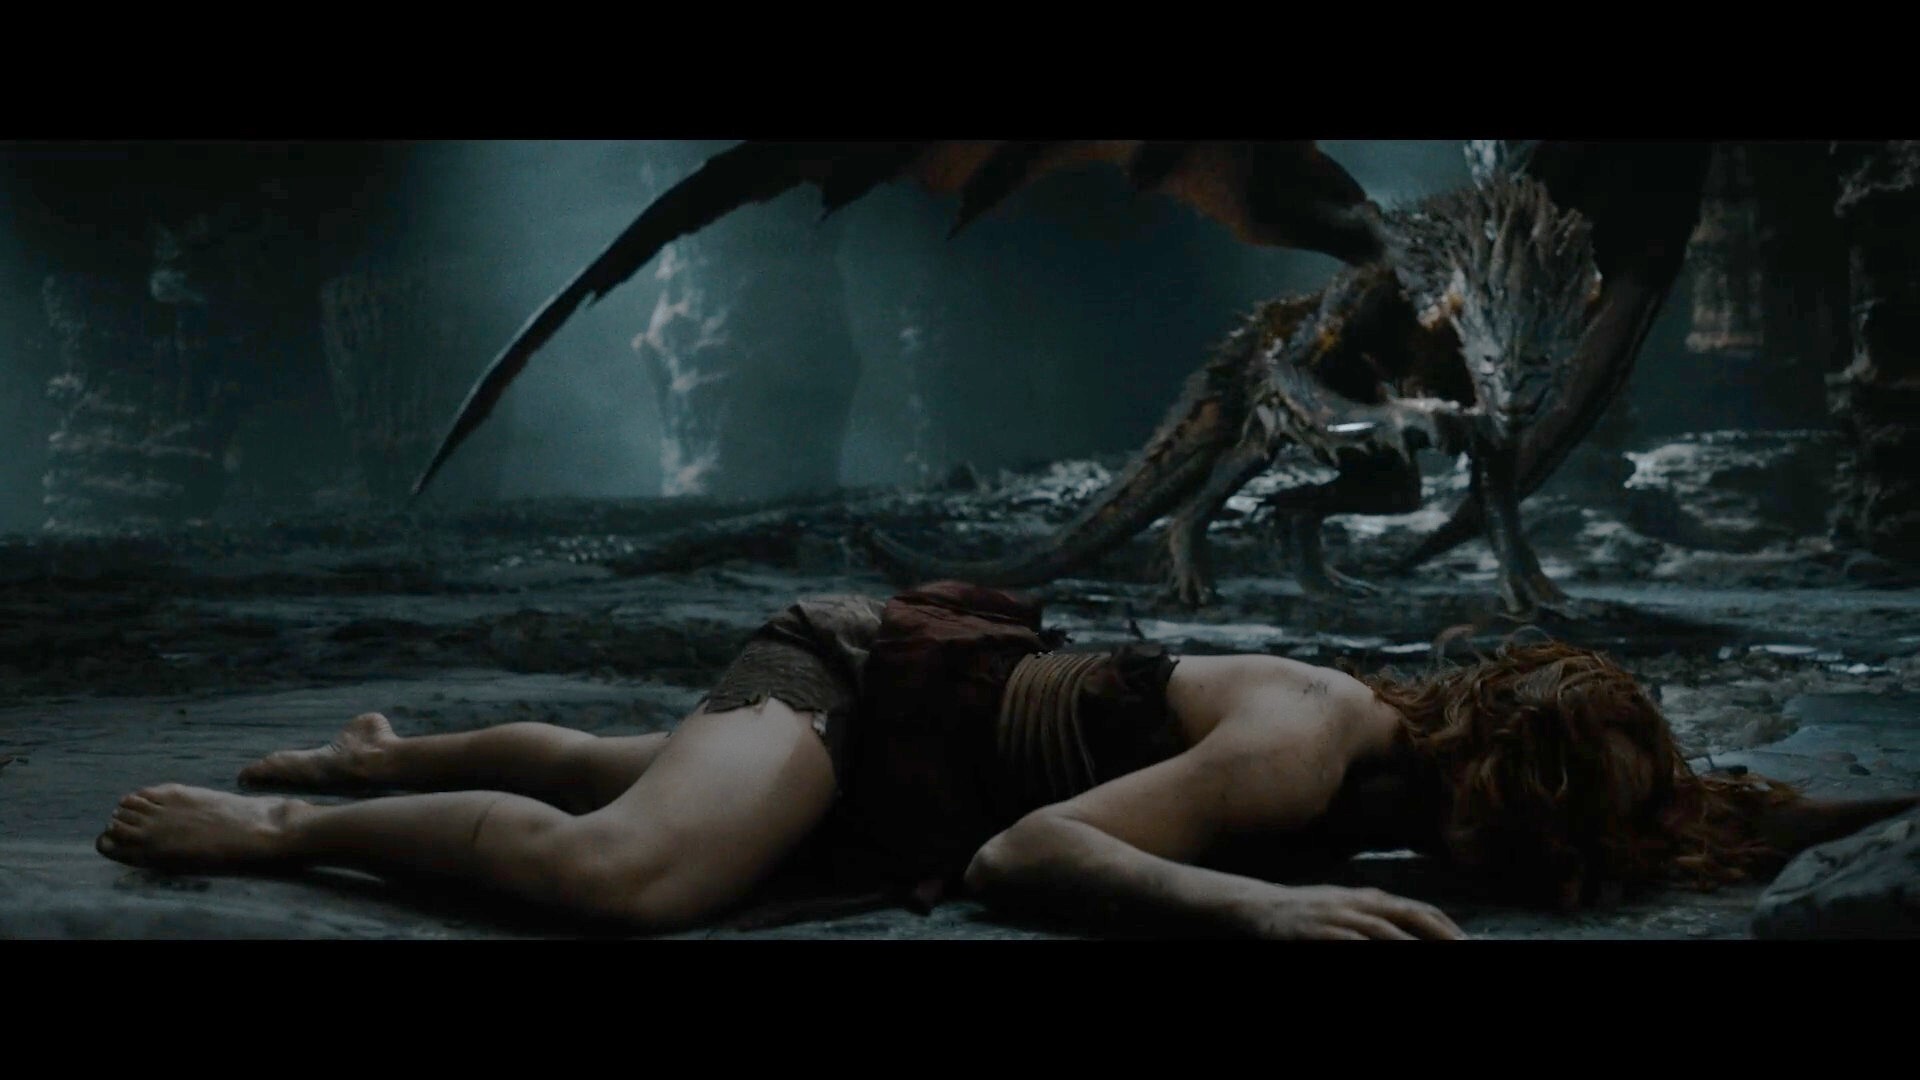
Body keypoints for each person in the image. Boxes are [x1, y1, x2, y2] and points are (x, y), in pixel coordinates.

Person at [95, 581, 1916, 939]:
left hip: (928, 744)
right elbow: (1025, 860)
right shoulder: (1302, 753)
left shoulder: (1447, 763)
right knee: (628, 868)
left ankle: (376, 756)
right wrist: (1254, 914)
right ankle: (285, 832)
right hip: (866, 691)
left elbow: (1713, 815)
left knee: (622, 760)